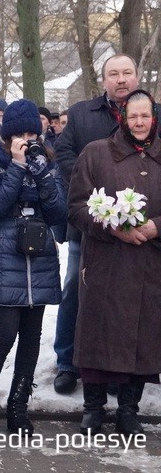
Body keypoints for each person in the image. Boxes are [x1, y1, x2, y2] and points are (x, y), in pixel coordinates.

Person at [68, 90, 161, 436]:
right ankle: (93, 409)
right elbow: (76, 208)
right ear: (122, 117)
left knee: (141, 338)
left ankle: (128, 410)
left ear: (154, 118)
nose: (139, 122)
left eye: (145, 116)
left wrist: (155, 227)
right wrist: (114, 228)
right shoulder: (96, 153)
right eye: (133, 116)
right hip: (106, 265)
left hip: (149, 268)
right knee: (98, 335)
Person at [0, 99, 67, 436]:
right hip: (4, 257)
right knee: (4, 333)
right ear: (7, 136)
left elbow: (57, 213)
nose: (27, 140)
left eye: (32, 133)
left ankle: (18, 407)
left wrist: (40, 172)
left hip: (38, 257)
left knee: (31, 337)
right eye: (20, 134)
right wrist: (16, 164)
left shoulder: (48, 161)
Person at [52, 53, 141, 395]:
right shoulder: (80, 114)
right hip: (89, 224)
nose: (121, 79)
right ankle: (67, 362)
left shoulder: (153, 113)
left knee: (130, 298)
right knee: (76, 287)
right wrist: (97, 197)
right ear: (103, 80)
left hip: (139, 228)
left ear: (137, 76)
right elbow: (63, 156)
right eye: (113, 74)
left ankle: (123, 368)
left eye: (127, 72)